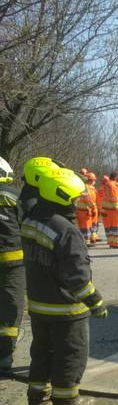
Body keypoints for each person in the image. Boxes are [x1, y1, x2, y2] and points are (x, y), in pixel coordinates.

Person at [20, 159, 107, 405]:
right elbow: (77, 277)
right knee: (71, 354)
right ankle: (66, 400)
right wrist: (95, 301)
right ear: (63, 197)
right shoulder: (66, 230)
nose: (77, 202)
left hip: (38, 305)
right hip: (66, 309)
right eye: (74, 198)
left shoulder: (31, 220)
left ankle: (37, 397)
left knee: (42, 351)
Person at [0, 157, 24, 375]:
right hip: (13, 265)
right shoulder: (15, 195)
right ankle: (5, 356)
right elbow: (26, 225)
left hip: (12, 263)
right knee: (10, 308)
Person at [98, 174, 118, 248]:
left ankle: (111, 242)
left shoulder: (106, 185)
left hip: (107, 209)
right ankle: (116, 242)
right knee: (116, 226)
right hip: (114, 209)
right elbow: (114, 198)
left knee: (110, 227)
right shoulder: (113, 186)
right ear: (115, 177)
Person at [75, 172, 97, 246]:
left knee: (81, 227)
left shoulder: (81, 186)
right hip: (85, 211)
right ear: (90, 180)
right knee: (86, 227)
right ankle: (86, 242)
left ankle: (82, 241)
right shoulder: (87, 188)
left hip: (79, 210)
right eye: (93, 180)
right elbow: (88, 199)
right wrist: (93, 208)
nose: (94, 181)